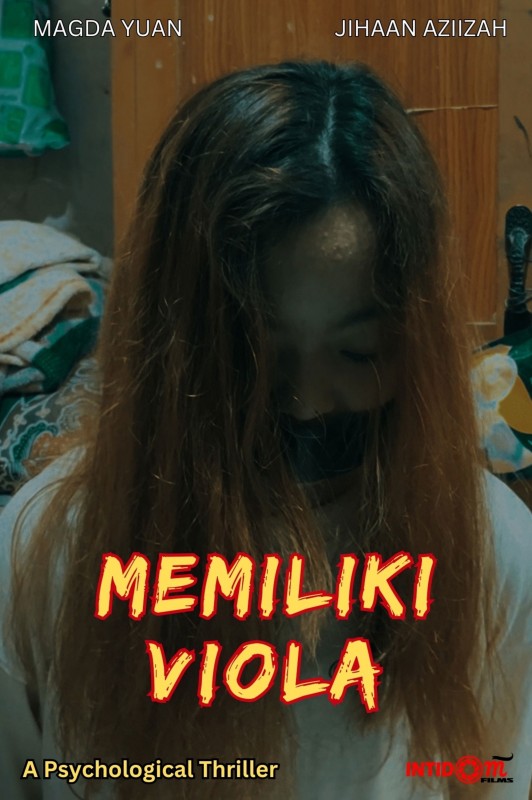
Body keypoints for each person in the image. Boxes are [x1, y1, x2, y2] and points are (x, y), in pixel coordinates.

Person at [1, 60, 531, 800]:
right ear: (170, 346)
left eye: (360, 351)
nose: (307, 405)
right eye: (250, 352)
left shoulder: (492, 552)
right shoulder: (46, 549)